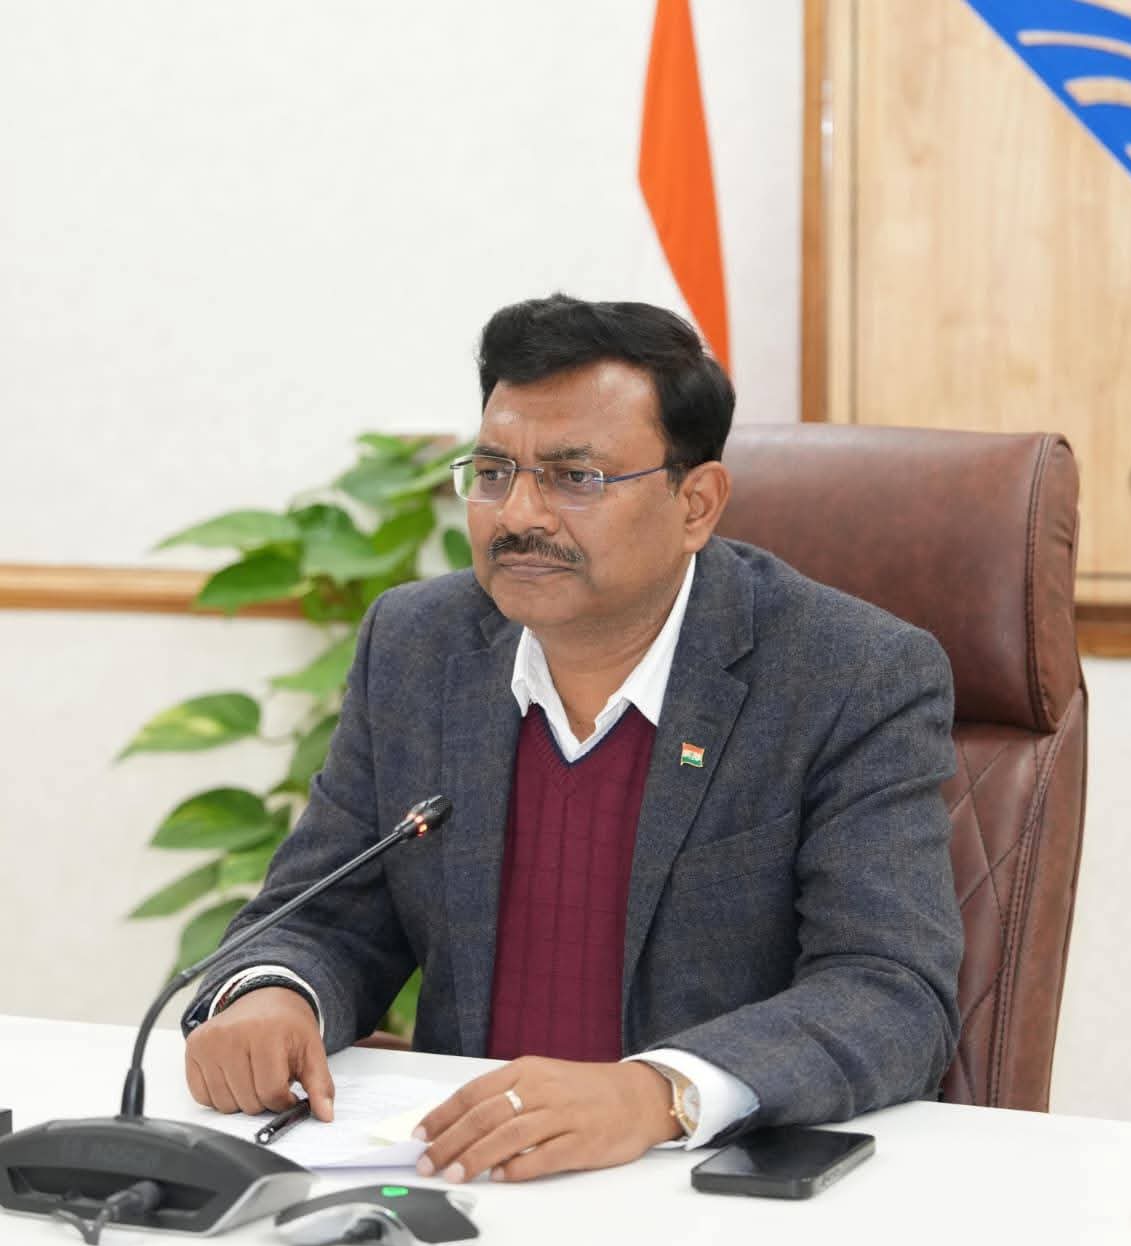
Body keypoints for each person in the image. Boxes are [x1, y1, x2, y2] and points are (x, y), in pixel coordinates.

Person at [182, 294, 963, 1185]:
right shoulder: (418, 645)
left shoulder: (847, 674)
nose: (518, 515)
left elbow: (889, 990)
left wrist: (655, 1094)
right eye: (492, 471)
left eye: (574, 477)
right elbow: (321, 914)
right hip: (469, 1175)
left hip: (700, 1187)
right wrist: (272, 993)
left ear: (696, 504)